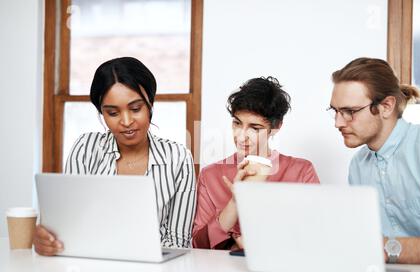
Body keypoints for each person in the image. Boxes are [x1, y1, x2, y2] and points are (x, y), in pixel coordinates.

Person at [33, 57, 196, 255]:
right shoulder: (86, 149)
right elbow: (71, 226)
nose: (126, 121)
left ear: (150, 104)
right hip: (92, 267)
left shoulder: (178, 158)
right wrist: (48, 239)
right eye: (112, 113)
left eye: (136, 109)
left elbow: (178, 242)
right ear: (102, 113)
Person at [329, 57, 420, 265]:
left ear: (386, 106)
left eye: (350, 112)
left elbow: (377, 248)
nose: (338, 123)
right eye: (336, 111)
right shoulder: (358, 166)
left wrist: (388, 249)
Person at [193, 77, 320, 250]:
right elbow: (198, 245)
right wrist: (235, 202)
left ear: (277, 127)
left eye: (255, 128)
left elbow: (315, 237)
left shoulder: (301, 171)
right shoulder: (211, 175)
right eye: (237, 123)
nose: (241, 136)